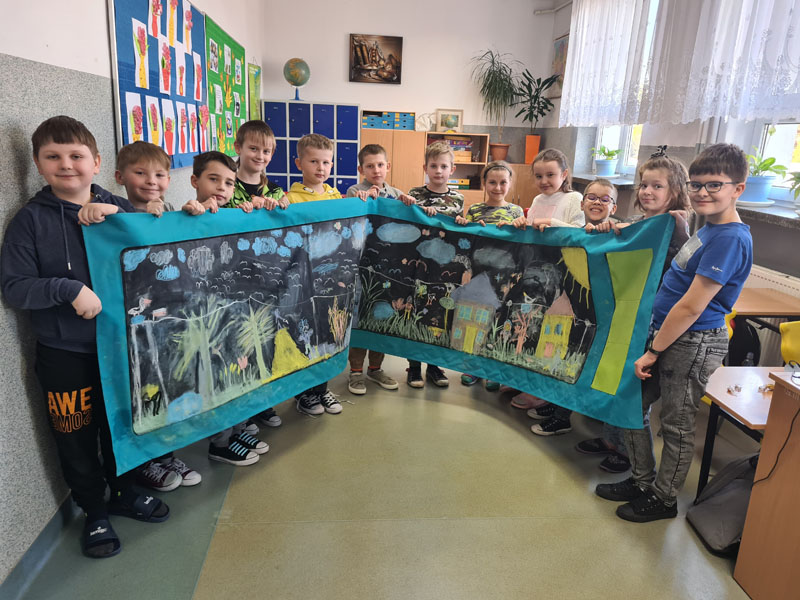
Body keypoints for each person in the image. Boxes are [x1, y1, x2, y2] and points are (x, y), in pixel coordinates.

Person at [1, 115, 168, 559]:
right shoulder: (29, 221)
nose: (66, 164)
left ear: (95, 162)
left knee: (122, 426)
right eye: (53, 156)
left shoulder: (120, 207)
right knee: (74, 434)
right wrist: (66, 288)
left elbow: (157, 249)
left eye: (76, 156)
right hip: (64, 352)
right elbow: (14, 287)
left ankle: (124, 491)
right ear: (38, 163)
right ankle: (94, 511)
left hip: (121, 346)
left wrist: (140, 214)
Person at [596, 143, 753, 522]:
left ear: (738, 189)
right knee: (631, 403)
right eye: (696, 184)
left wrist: (652, 350)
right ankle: (642, 480)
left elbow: (691, 306)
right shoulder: (708, 229)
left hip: (692, 342)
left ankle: (664, 498)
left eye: (714, 185)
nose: (703, 192)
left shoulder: (730, 238)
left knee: (676, 424)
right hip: (668, 334)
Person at [574, 150, 693, 474]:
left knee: (632, 394)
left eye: (657, 186)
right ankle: (612, 440)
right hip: (629, 318)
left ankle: (629, 455)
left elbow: (679, 267)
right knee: (617, 381)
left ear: (675, 191)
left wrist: (676, 229)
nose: (647, 191)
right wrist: (610, 229)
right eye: (644, 185)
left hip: (653, 325)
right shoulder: (642, 223)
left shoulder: (675, 225)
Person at [115, 141, 203, 488]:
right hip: (133, 324)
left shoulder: (169, 210)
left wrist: (191, 212)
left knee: (167, 385)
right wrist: (135, 217)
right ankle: (144, 463)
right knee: (140, 390)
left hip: (166, 319)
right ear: (120, 176)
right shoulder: (114, 215)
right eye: (140, 173)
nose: (151, 181)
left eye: (160, 175)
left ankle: (167, 455)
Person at [182, 151, 270, 465]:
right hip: (206, 317)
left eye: (229, 183)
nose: (222, 187)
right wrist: (195, 211)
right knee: (216, 374)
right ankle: (220, 443)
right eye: (213, 179)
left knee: (239, 369)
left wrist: (253, 211)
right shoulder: (188, 215)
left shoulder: (232, 214)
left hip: (233, 311)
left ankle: (236, 430)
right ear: (194, 181)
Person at [528, 178, 619, 438]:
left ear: (613, 207)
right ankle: (557, 406)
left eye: (605, 199)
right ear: (582, 203)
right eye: (592, 197)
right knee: (565, 358)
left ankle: (563, 417)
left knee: (580, 362)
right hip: (572, 306)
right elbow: (559, 232)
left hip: (598, 313)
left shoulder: (616, 234)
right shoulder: (573, 232)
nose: (597, 203)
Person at [286, 134, 368, 415]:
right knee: (305, 334)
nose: (320, 168)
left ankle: (321, 389)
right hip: (303, 282)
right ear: (299, 163)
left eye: (326, 162)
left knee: (328, 333)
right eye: (313, 161)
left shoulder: (337, 197)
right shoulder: (289, 199)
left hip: (331, 282)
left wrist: (361, 200)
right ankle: (304, 394)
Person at [509, 148, 584, 410]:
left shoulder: (574, 198)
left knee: (552, 330)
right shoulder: (538, 199)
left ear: (564, 174)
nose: (544, 181)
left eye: (550, 175)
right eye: (539, 176)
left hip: (562, 274)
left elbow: (580, 232)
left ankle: (543, 390)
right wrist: (522, 222)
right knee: (530, 325)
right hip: (536, 272)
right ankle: (524, 379)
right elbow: (532, 230)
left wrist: (551, 222)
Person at [344, 143, 414, 395]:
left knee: (382, 316)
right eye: (370, 166)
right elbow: (350, 214)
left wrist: (408, 203)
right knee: (361, 316)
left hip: (388, 268)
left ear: (388, 166)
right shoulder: (355, 190)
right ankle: (355, 371)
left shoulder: (395, 193)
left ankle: (375, 368)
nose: (376, 170)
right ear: (361, 169)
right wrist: (364, 199)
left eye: (380, 165)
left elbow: (409, 215)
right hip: (362, 267)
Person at [232, 120, 287, 431]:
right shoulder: (227, 186)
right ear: (238, 148)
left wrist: (282, 206)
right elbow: (216, 212)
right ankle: (244, 409)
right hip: (235, 281)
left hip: (269, 279)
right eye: (253, 148)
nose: (260, 155)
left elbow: (287, 219)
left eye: (266, 151)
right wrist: (242, 207)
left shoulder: (275, 191)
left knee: (266, 339)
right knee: (241, 342)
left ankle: (263, 402)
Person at [454, 160, 523, 391]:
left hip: (505, 277)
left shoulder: (516, 211)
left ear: (510, 184)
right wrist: (465, 224)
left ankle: (494, 371)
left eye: (503, 182)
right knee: (478, 320)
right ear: (484, 183)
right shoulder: (475, 210)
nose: (497, 187)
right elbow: (466, 240)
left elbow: (522, 241)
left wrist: (520, 225)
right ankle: (473, 367)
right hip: (480, 275)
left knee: (499, 321)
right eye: (492, 182)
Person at [405, 141, 464, 389]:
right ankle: (414, 367)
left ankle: (434, 365)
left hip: (445, 267)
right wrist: (413, 207)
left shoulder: (458, 198)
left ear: (452, 169)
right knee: (416, 311)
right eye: (433, 166)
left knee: (440, 313)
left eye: (444, 166)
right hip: (419, 265)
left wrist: (461, 221)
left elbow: (460, 228)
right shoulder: (415, 194)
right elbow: (408, 219)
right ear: (425, 168)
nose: (438, 171)